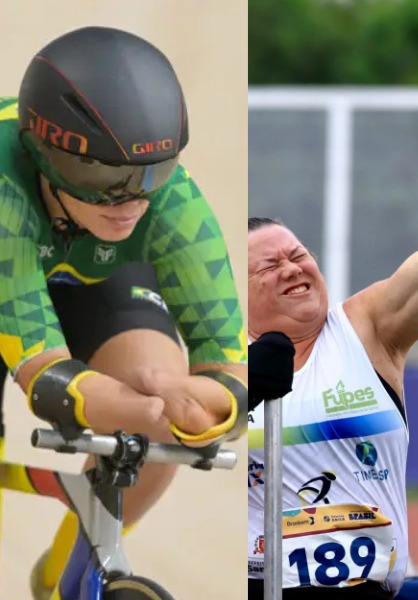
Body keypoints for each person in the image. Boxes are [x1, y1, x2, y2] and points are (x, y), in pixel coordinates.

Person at [0, 27, 248, 598]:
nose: (130, 201)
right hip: (11, 249)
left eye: (152, 173)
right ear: (44, 153)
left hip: (85, 266)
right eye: (102, 178)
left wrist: (190, 405)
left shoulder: (169, 203)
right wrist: (150, 409)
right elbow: (45, 378)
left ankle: (65, 574)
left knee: (159, 398)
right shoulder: (8, 187)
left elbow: (230, 373)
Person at [246, 71, 418, 598]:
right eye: (270, 265)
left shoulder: (365, 328)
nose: (293, 266)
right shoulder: (218, 361)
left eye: (299, 254)